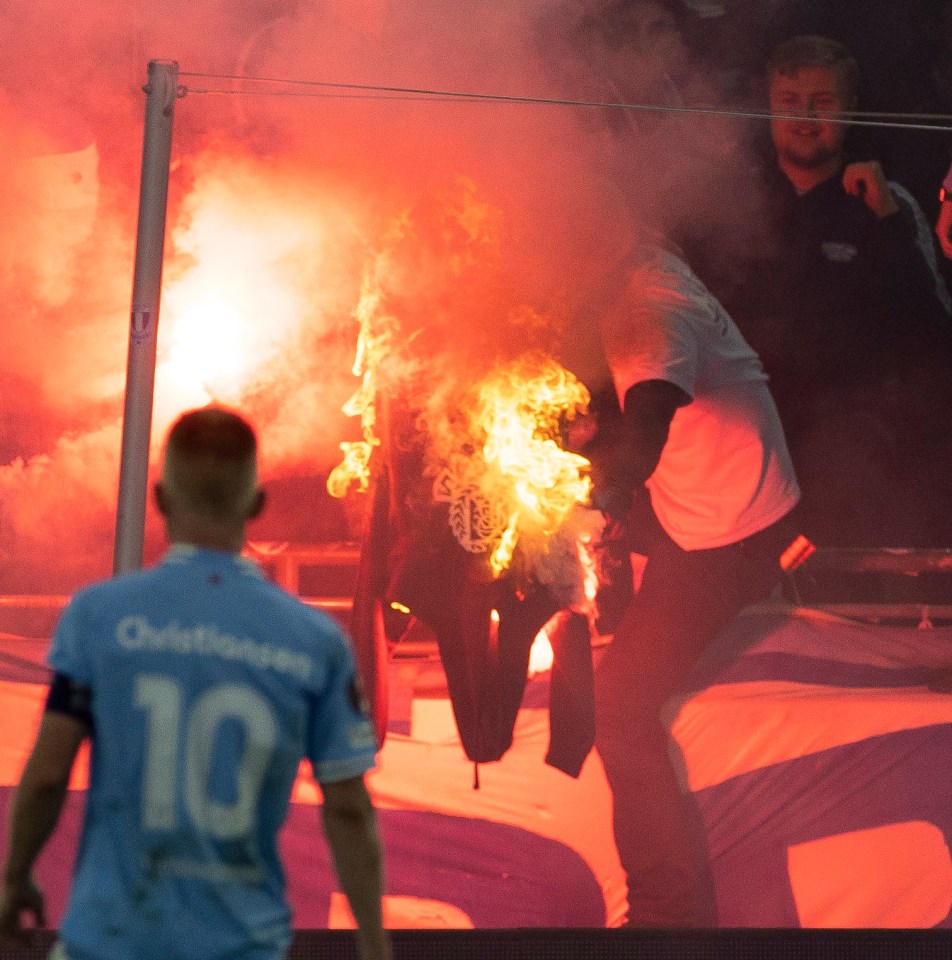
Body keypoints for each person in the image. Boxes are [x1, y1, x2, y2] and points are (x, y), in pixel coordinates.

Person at [0, 407, 391, 960]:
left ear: (159, 500)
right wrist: (375, 944)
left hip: (109, 942)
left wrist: (15, 877)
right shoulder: (312, 640)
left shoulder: (100, 617)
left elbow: (46, 775)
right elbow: (349, 809)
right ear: (257, 506)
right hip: (240, 945)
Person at [590, 240, 805, 926]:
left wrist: (600, 494)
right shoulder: (643, 265)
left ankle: (667, 915)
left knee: (617, 706)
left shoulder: (647, 311)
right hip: (706, 509)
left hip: (733, 537)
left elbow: (648, 421)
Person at [682, 34, 952, 548]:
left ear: (850, 108)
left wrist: (888, 224)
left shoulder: (885, 202)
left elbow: (934, 337)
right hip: (738, 463)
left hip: (853, 467)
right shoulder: (730, 202)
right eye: (790, 102)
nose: (805, 117)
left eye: (822, 102)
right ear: (769, 106)